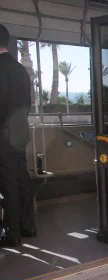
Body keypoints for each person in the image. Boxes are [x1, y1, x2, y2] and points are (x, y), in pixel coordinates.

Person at [0, 24, 36, 246]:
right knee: (22, 178)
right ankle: (27, 226)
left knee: (8, 182)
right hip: (20, 131)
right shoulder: (21, 70)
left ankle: (12, 232)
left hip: (3, 133)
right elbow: (28, 103)